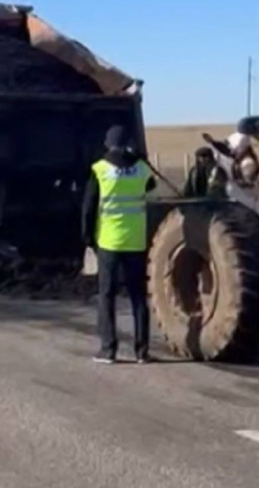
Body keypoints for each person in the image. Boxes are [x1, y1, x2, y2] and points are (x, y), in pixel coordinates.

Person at [81, 125, 156, 364]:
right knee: (138, 297)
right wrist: (137, 158)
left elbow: (89, 207)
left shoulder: (100, 169)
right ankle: (142, 351)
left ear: (107, 143)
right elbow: (151, 185)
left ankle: (108, 349)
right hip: (136, 241)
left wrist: (87, 238)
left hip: (109, 242)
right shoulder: (141, 169)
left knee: (107, 295)